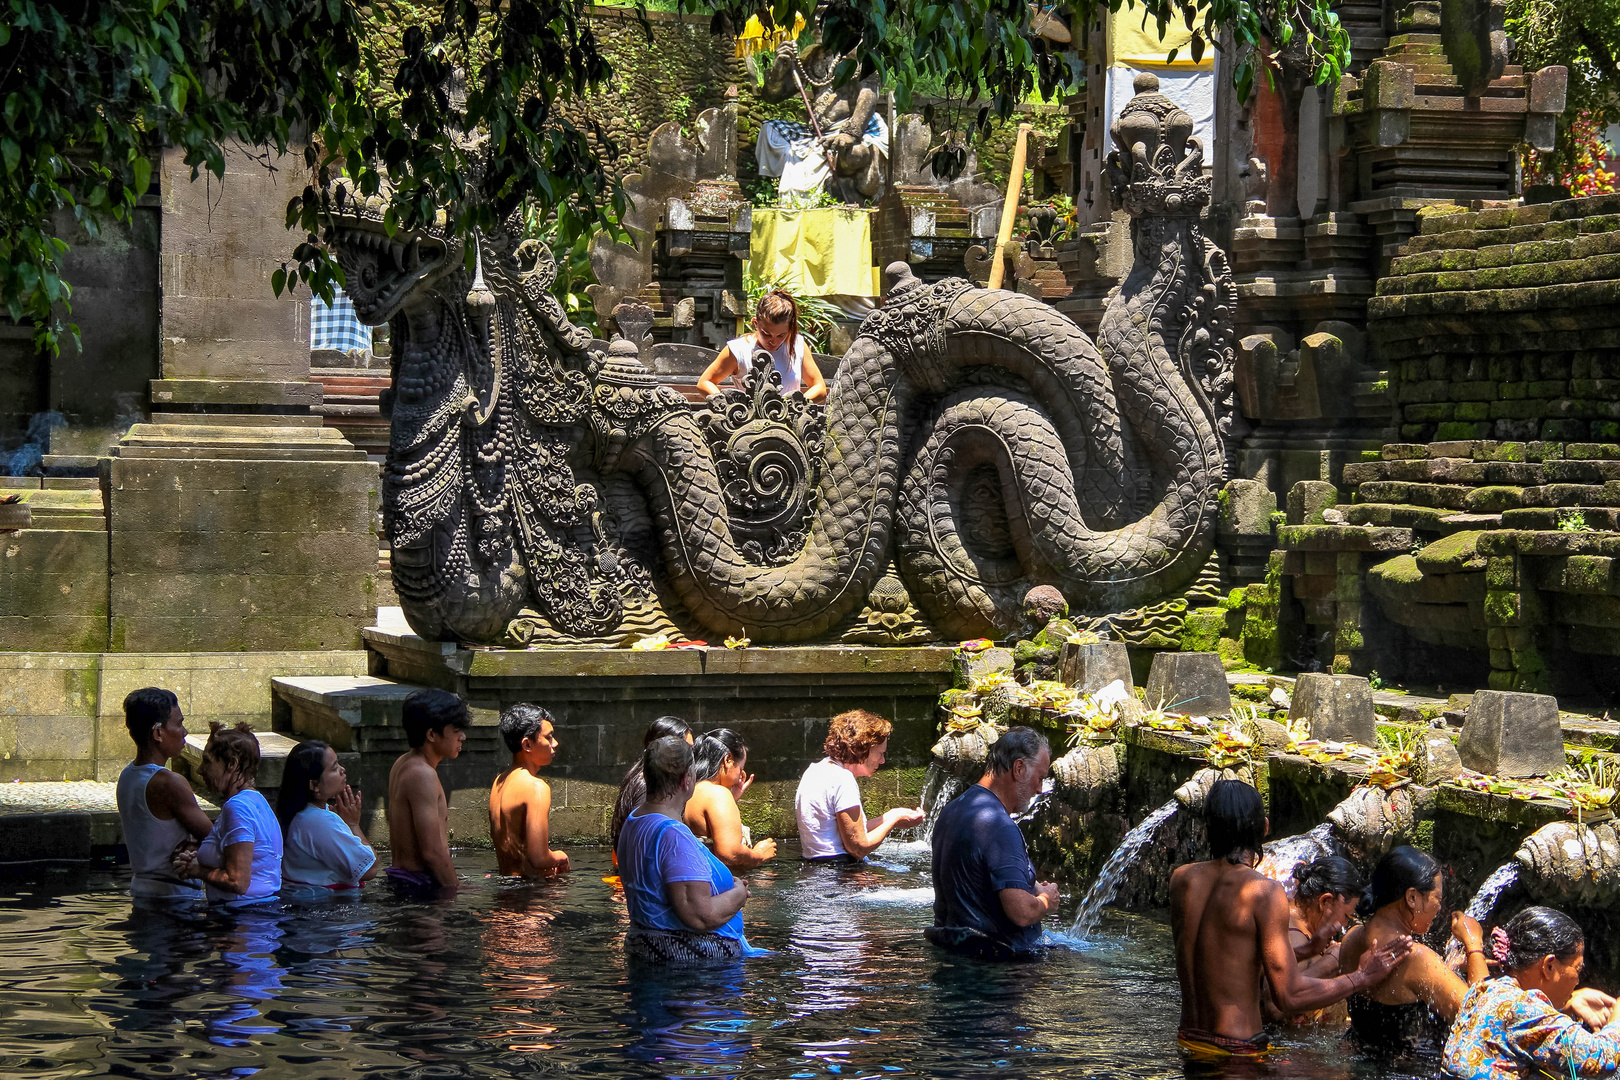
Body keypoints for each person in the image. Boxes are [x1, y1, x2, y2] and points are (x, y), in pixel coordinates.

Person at [1170, 779, 1412, 1058]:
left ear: (1207, 828)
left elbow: (1225, 958)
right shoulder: (1262, 891)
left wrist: (1307, 951)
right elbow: (1289, 996)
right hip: (1237, 1053)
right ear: (1264, 827)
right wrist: (1362, 977)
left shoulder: (1181, 880)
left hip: (1188, 1042)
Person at [1339, 845, 1490, 1054]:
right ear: (1412, 897)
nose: (1439, 908)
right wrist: (1474, 945)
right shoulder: (1416, 958)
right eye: (1437, 898)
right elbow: (1483, 1019)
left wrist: (1449, 967)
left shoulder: (1351, 938)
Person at [926, 726, 1058, 960]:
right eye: (1039, 778)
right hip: (995, 964)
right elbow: (1022, 912)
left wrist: (1029, 884)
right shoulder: (1000, 827)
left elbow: (975, 875)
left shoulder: (952, 810)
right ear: (1018, 768)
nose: (1039, 789)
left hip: (952, 953)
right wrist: (1047, 900)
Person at [1443, 905, 1620, 1079]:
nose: (1578, 981)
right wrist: (1617, 1016)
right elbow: (1600, 1060)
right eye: (1577, 969)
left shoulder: (1484, 990)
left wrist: (1567, 1004)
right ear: (1549, 966)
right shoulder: (1526, 1010)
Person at [617, 735, 750, 963]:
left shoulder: (634, 820)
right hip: (688, 959)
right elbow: (699, 915)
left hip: (646, 947)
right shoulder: (673, 835)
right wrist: (738, 895)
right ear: (686, 780)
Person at [116, 687, 213, 901]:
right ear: (158, 733)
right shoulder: (169, 782)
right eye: (178, 724)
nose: (184, 732)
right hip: (174, 894)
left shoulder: (127, 776)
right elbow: (215, 837)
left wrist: (194, 844)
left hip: (142, 888)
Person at [794, 709, 924, 863]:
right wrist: (893, 821)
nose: (882, 761)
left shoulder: (815, 770)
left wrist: (889, 816)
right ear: (863, 749)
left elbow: (845, 832)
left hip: (814, 869)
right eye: (880, 753)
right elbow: (858, 847)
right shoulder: (843, 779)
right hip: (838, 872)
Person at [173, 723, 282, 904]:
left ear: (232, 764)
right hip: (258, 915)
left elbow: (237, 882)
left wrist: (197, 871)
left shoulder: (238, 808)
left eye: (207, 761)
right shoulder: (257, 801)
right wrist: (199, 859)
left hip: (240, 919)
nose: (200, 769)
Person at [1262, 855, 1365, 1025]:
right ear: (1325, 901)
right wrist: (1332, 962)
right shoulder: (1293, 932)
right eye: (1346, 916)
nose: (1345, 924)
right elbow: (1276, 1007)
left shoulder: (1287, 914)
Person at [386, 687, 469, 893]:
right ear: (432, 734)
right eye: (456, 731)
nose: (463, 737)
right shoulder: (423, 774)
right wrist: (454, 890)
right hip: (418, 888)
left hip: (406, 882)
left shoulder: (403, 763)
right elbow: (432, 852)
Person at [275, 739, 378, 893]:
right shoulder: (320, 821)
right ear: (314, 785)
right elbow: (369, 869)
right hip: (324, 907)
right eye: (334, 768)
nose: (342, 770)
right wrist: (353, 825)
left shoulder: (299, 814)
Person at [696, 290, 827, 402]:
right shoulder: (739, 349)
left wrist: (795, 406)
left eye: (781, 335)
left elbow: (819, 387)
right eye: (766, 334)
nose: (773, 341)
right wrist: (727, 404)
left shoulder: (797, 345)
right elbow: (705, 383)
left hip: (789, 422)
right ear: (755, 323)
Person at [489, 703, 570, 878]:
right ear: (527, 745)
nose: (555, 743)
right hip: (531, 896)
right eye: (548, 737)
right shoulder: (536, 788)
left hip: (505, 892)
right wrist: (560, 856)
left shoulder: (498, 782)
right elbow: (539, 858)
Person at [684, 729, 776, 873]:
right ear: (727, 760)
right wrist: (758, 855)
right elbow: (729, 853)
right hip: (718, 885)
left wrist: (732, 799)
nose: (741, 775)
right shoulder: (718, 794)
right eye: (741, 768)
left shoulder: (689, 790)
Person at [611, 716, 693, 855]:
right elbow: (641, 840)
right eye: (688, 749)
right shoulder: (647, 785)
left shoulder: (646, 778)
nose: (692, 756)